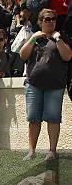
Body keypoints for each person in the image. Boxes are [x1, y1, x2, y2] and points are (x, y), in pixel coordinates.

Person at [19, 9, 72, 161]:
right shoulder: (34, 37)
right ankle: (31, 151)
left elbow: (67, 56)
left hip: (55, 86)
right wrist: (33, 38)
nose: (51, 21)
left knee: (53, 118)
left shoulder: (61, 37)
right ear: (40, 21)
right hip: (34, 85)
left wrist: (58, 39)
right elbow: (23, 55)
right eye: (47, 19)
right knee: (33, 119)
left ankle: (52, 151)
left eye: (53, 19)